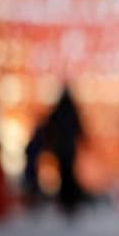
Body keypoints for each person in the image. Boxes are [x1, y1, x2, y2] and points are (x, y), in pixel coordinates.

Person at [24, 86, 87, 216]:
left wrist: (50, 143)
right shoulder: (72, 111)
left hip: (61, 148)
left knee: (64, 176)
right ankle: (70, 203)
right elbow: (80, 129)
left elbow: (49, 127)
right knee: (69, 175)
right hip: (69, 149)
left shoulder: (58, 111)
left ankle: (66, 203)